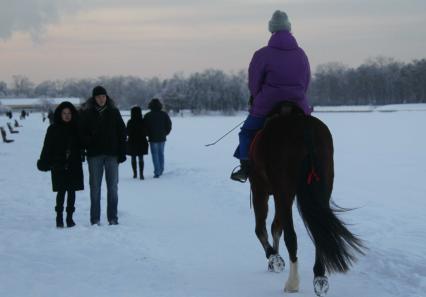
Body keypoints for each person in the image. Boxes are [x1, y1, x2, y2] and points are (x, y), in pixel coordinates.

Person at [231, 10, 312, 183]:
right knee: (310, 133)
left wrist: (257, 97)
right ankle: (312, 165)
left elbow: (254, 82)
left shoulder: (262, 54)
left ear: (271, 29)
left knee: (246, 133)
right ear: (289, 29)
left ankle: (245, 168)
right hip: (298, 102)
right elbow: (306, 80)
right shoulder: (301, 53)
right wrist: (299, 96)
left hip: (267, 103)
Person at [80, 86, 127, 225]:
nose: (102, 99)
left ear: (107, 97)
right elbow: (81, 134)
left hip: (112, 155)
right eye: (99, 96)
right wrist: (89, 142)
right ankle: (95, 219)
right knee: (95, 187)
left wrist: (122, 152)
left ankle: (112, 217)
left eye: (104, 96)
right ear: (94, 98)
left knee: (112, 187)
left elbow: (122, 133)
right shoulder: (87, 114)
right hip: (94, 155)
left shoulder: (114, 112)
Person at [37, 102, 84, 228]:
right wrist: (44, 161)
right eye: (64, 113)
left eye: (69, 113)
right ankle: (59, 217)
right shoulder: (53, 128)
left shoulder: (77, 128)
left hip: (74, 163)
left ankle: (69, 217)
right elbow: (47, 147)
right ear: (60, 114)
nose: (67, 116)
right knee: (61, 191)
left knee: (72, 191)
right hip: (58, 163)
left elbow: (84, 143)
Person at [143, 98, 172, 178]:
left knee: (155, 155)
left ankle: (157, 171)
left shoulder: (148, 115)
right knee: (161, 154)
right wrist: (166, 133)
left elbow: (144, 127)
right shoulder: (164, 114)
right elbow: (169, 125)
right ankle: (161, 169)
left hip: (153, 138)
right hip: (162, 137)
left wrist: (148, 134)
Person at [126, 106, 149, 179]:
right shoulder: (143, 121)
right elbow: (146, 132)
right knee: (141, 158)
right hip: (142, 141)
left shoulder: (130, 121)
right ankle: (141, 174)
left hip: (132, 141)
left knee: (133, 158)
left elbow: (127, 132)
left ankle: (135, 173)